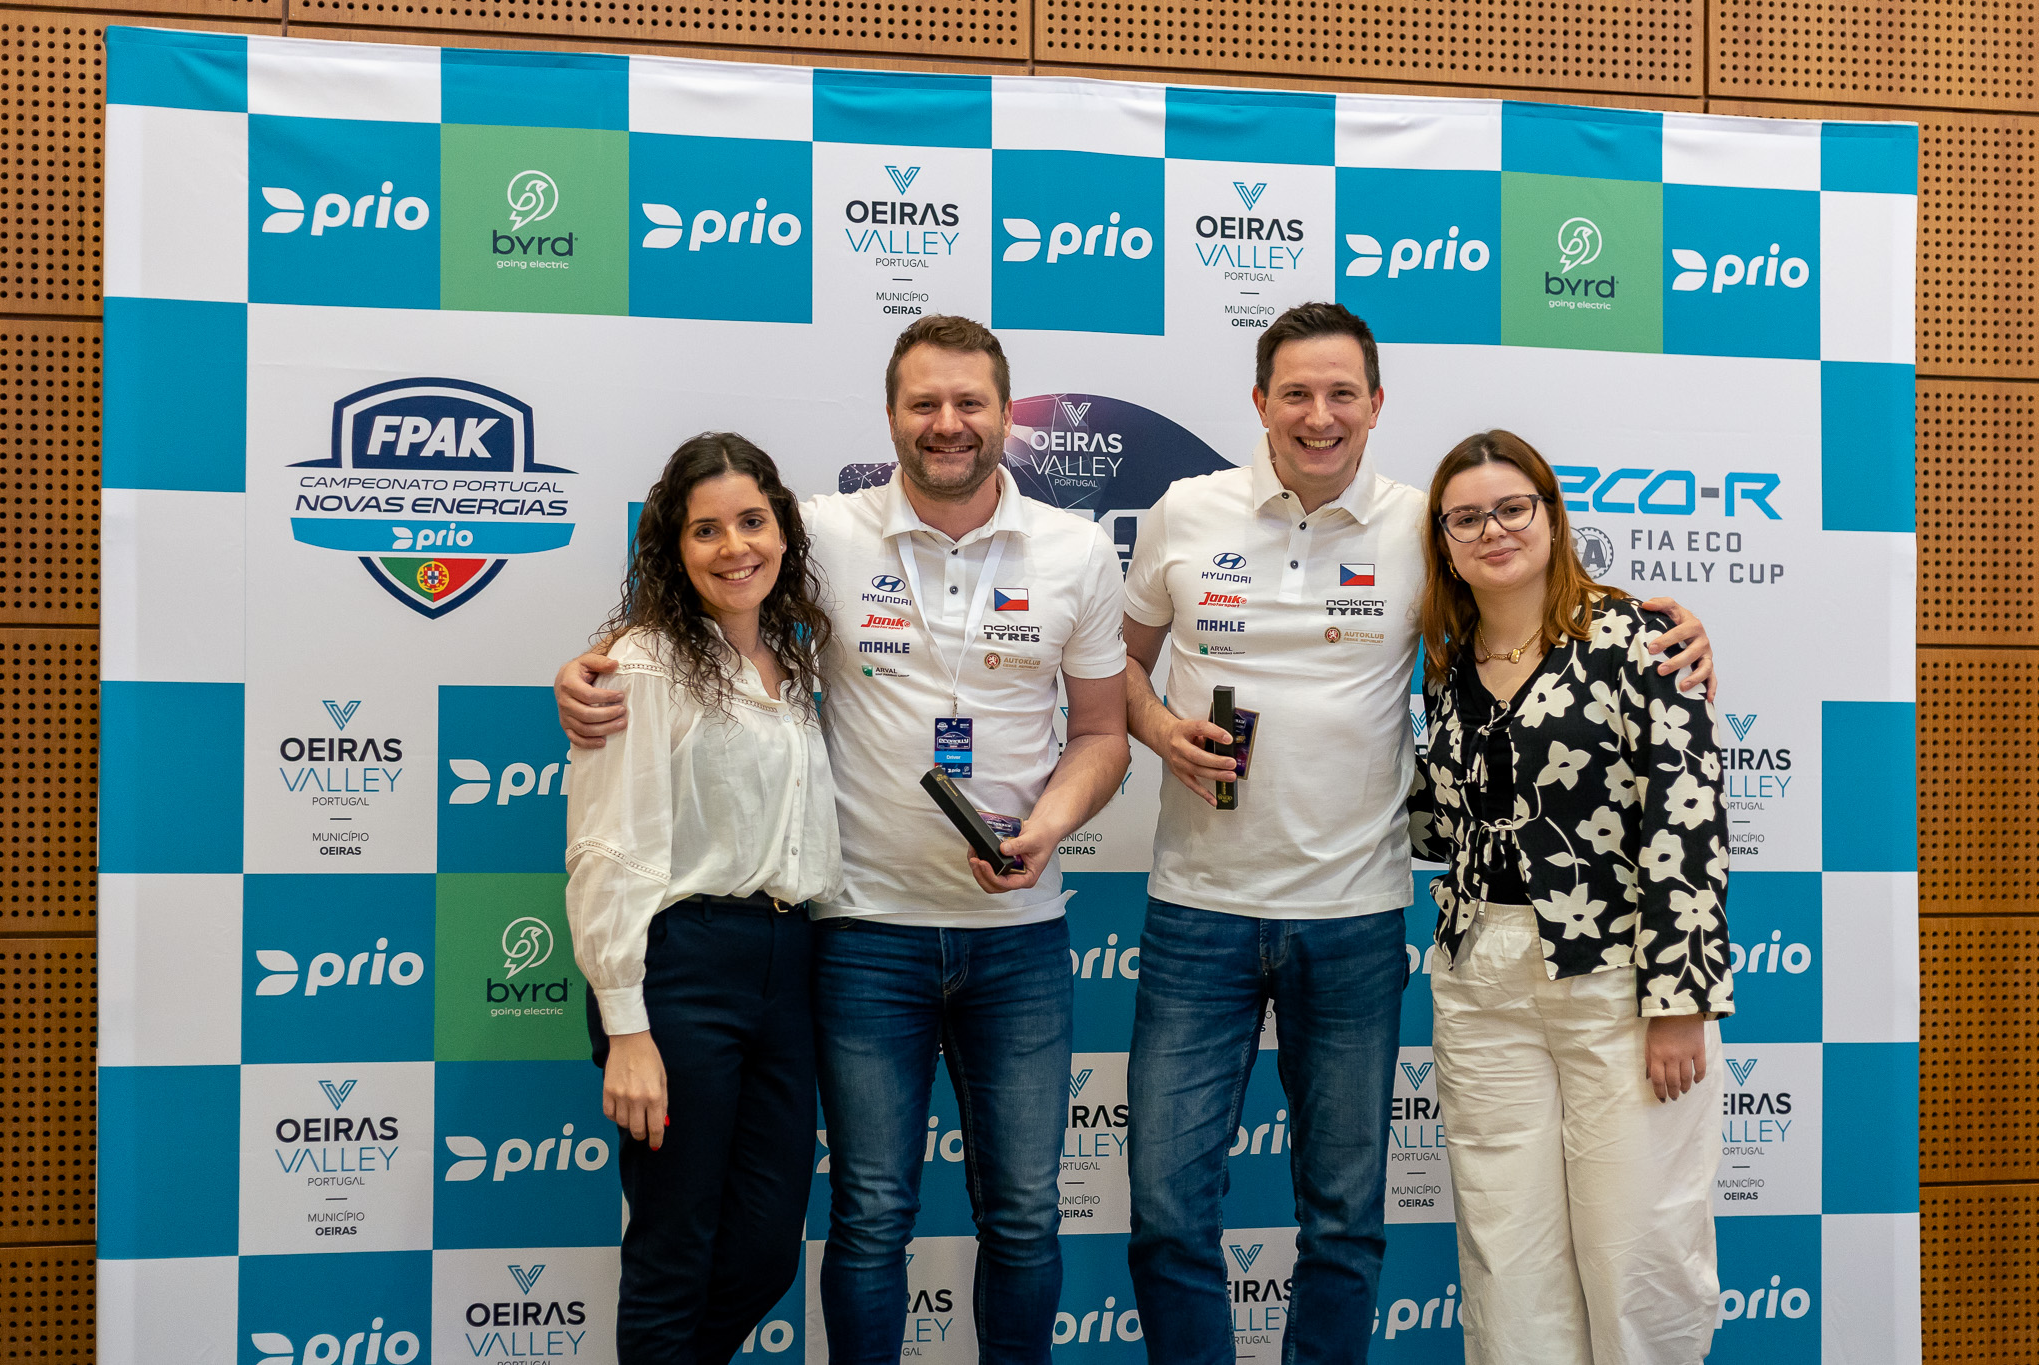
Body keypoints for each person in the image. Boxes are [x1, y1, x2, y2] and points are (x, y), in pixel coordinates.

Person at [1117, 302, 1718, 1364]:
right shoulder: (1187, 513)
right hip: (1227, 917)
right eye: (1295, 393)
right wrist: (1161, 728)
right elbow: (1111, 663)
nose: (1319, 414)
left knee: (1362, 1225)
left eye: (1341, 392)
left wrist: (1675, 632)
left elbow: (1671, 804)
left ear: (1376, 403)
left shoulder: (1435, 538)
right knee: (1185, 1217)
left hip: (1373, 923)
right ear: (1259, 401)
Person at [556, 316, 1131, 1365]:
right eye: (924, 403)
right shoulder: (819, 531)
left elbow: (1100, 732)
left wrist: (1046, 828)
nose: (947, 423)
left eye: (969, 402)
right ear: (891, 416)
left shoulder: (1078, 551)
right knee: (866, 1220)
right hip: (861, 934)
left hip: (1018, 938)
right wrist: (594, 665)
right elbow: (701, 588)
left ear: (1008, 414)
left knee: (1023, 1217)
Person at [1408, 428, 1733, 1365]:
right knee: (1506, 1258)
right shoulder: (1448, 666)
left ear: (1552, 516)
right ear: (1445, 543)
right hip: (1480, 978)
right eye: (1467, 518)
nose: (1494, 529)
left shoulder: (1640, 638)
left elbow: (1688, 818)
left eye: (1514, 507)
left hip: (1619, 979)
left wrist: (1680, 1001)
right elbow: (1434, 828)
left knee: (1638, 1250)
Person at [564, 433, 842, 1365]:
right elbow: (606, 848)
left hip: (787, 964)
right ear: (673, 549)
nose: (735, 547)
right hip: (679, 970)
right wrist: (627, 1027)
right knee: (673, 1252)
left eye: (752, 521)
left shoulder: (792, 665)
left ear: (783, 529)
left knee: (763, 1254)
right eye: (706, 530)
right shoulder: (644, 664)